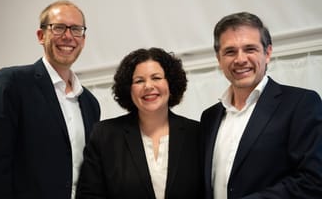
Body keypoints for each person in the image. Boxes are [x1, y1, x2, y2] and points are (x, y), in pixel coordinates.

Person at [200, 11, 322, 199]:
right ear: (219, 59)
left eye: (250, 49)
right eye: (230, 51)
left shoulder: (300, 104)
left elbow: (313, 180)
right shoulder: (209, 117)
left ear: (267, 53)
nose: (240, 59)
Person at [0, 0, 101, 199]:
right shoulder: (12, 83)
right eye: (58, 28)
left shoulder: (90, 103)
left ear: (83, 39)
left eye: (76, 29)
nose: (68, 36)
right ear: (41, 35)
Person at [76, 47, 203, 199]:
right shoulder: (105, 135)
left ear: (171, 84)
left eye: (156, 78)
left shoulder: (197, 133)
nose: (148, 86)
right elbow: (89, 195)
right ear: (129, 90)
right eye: (139, 81)